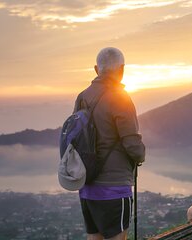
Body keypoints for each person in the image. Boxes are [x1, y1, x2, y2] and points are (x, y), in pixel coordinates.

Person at [74, 47, 145, 240]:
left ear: (96, 69)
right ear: (122, 70)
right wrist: (141, 154)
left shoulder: (82, 97)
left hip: (87, 186)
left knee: (94, 237)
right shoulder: (120, 98)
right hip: (113, 188)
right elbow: (132, 143)